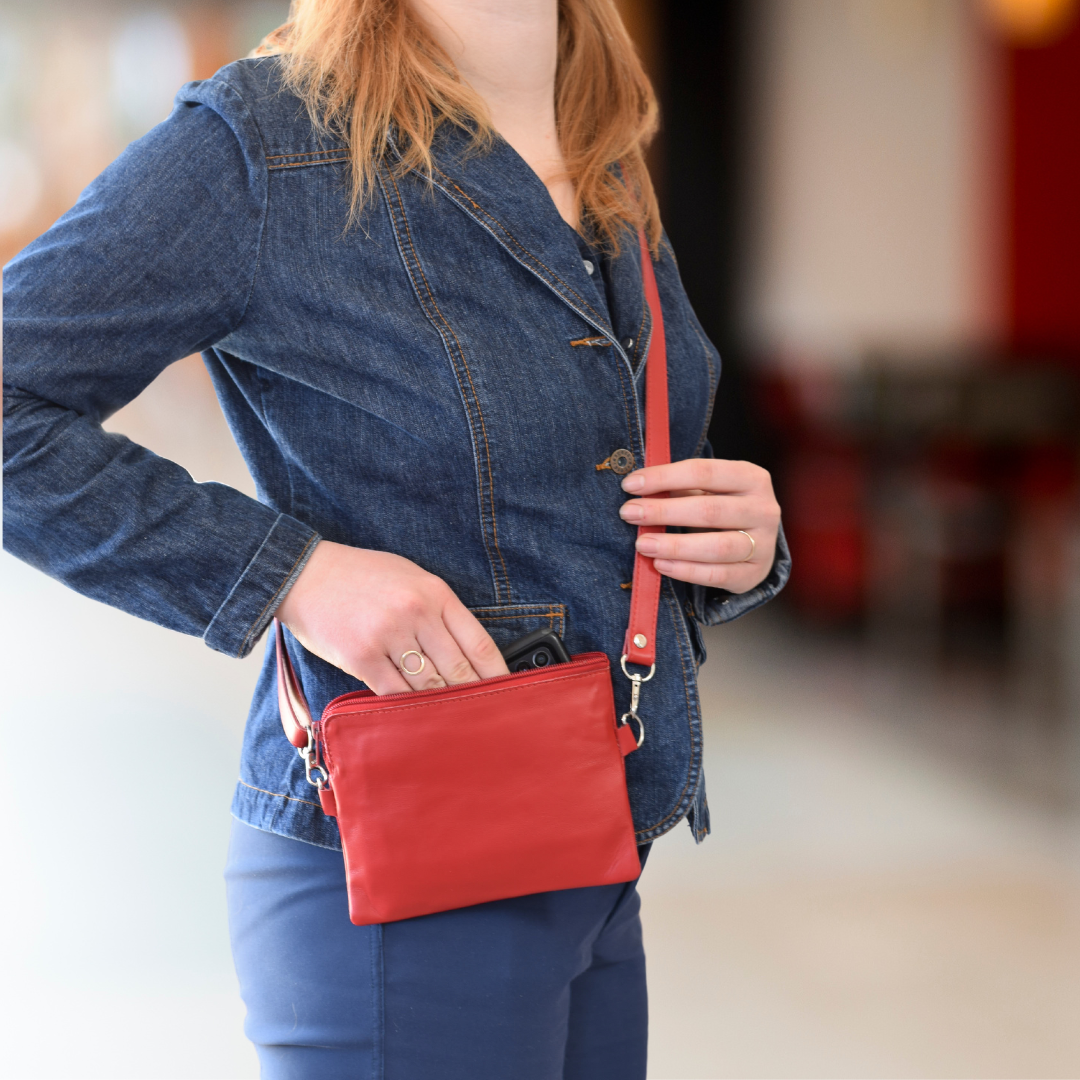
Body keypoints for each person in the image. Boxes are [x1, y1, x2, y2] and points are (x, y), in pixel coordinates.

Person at [3, 0, 789, 1075]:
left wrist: (739, 540)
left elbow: (586, 484)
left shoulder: (602, 147)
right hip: (398, 863)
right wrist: (293, 575)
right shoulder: (268, 143)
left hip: (595, 842)